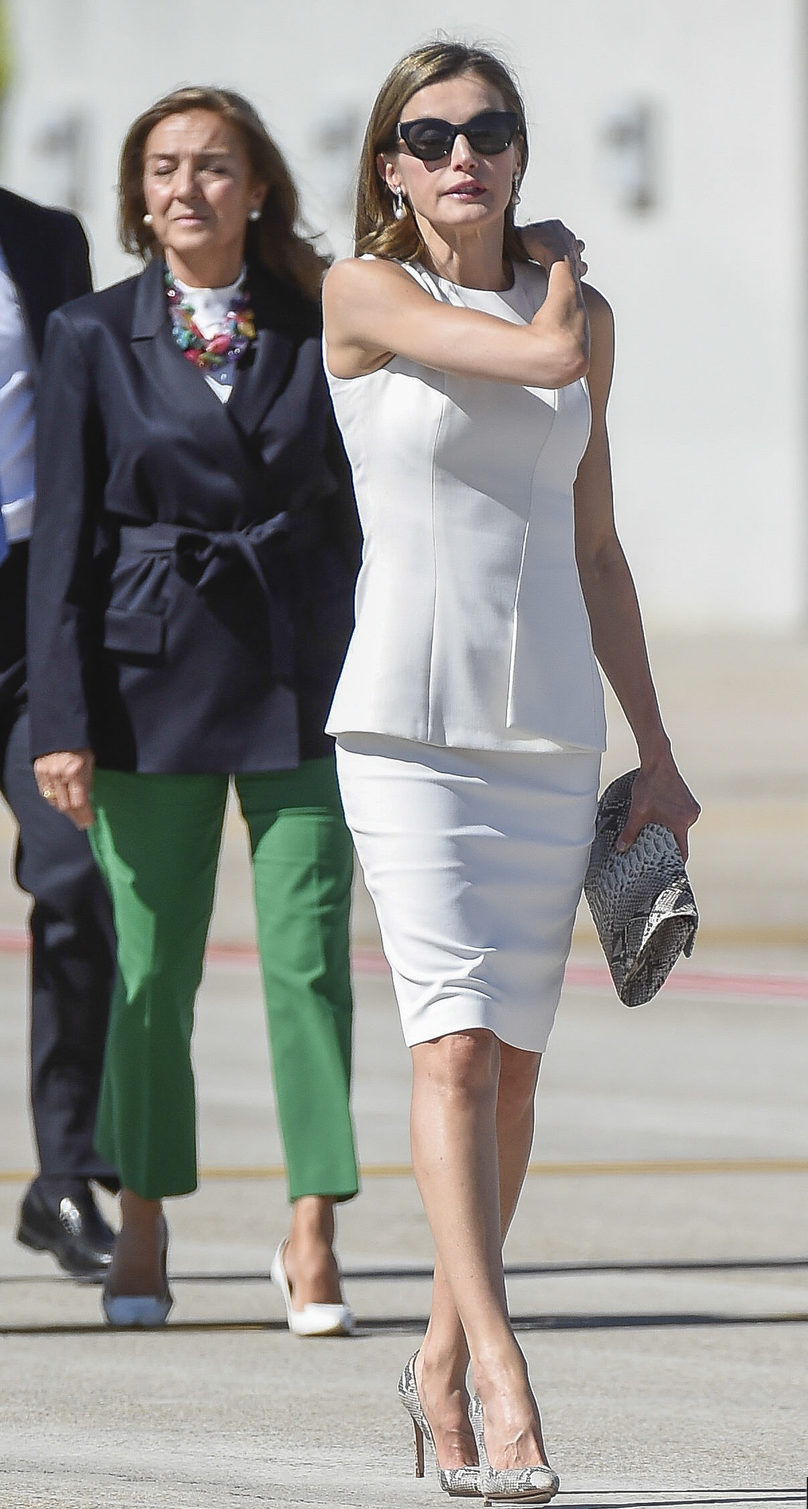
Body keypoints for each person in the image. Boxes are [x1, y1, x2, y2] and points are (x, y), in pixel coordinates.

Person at [321, 40, 699, 1505]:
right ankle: (501, 1372)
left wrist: (656, 748)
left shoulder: (584, 310)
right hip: (406, 727)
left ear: (521, 152)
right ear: (393, 165)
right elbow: (534, 358)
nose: (462, 152)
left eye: (490, 130)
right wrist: (553, 280)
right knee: (454, 1049)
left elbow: (599, 550)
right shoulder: (367, 295)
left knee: (519, 1073)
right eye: (431, 134)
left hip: (549, 729)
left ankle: (432, 1351)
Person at [27, 87, 361, 1331]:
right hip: (142, 680)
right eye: (162, 167)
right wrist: (59, 717)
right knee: (151, 969)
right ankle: (149, 1211)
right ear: (137, 194)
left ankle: (312, 1222)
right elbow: (61, 540)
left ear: (257, 185)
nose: (185, 187)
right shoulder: (88, 334)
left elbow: (355, 513)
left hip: (298, 673)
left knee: (307, 961)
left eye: (212, 166)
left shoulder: (323, 320)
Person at [0, 186, 118, 1279]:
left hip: (28, 618)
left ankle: (66, 1174)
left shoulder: (44, 239)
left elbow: (83, 432)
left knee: (78, 873)